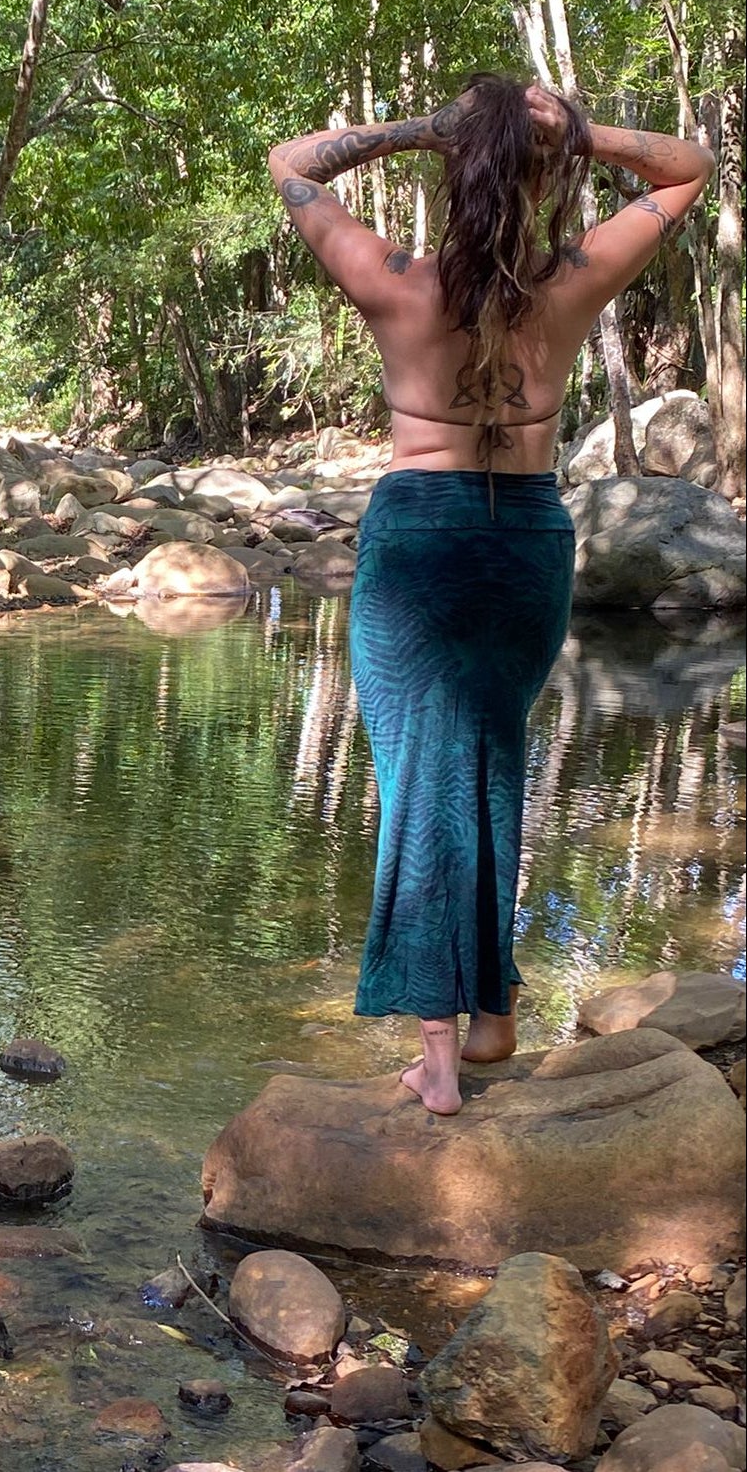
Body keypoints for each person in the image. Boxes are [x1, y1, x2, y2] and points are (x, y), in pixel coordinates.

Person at [267, 75, 714, 1114]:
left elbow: (289, 162)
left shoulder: (395, 282)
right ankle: (494, 1015)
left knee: (419, 777)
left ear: (453, 169)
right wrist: (579, 137)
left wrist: (423, 131)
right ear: (536, 175)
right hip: (526, 541)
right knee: (491, 763)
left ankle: (437, 1057)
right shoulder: (572, 283)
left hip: (420, 538)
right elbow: (690, 169)